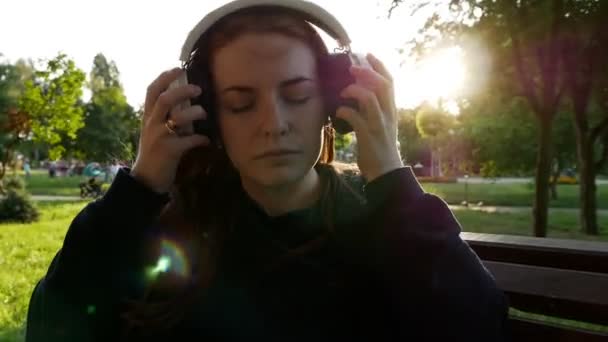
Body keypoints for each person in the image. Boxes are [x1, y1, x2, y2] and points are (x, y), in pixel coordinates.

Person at [25, 2, 509, 341]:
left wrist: (390, 174)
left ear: (330, 102)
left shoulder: (384, 227)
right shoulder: (177, 236)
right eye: (239, 104)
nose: (274, 124)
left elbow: (478, 327)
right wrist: (140, 188)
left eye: (296, 96)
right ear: (209, 116)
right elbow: (54, 325)